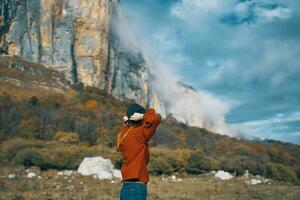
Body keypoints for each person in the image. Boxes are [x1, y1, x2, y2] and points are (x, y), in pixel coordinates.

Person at [116, 103, 161, 200]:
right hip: (136, 187)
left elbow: (126, 127)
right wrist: (143, 116)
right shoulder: (138, 134)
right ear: (138, 119)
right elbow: (155, 119)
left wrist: (128, 120)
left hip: (126, 186)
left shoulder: (125, 134)